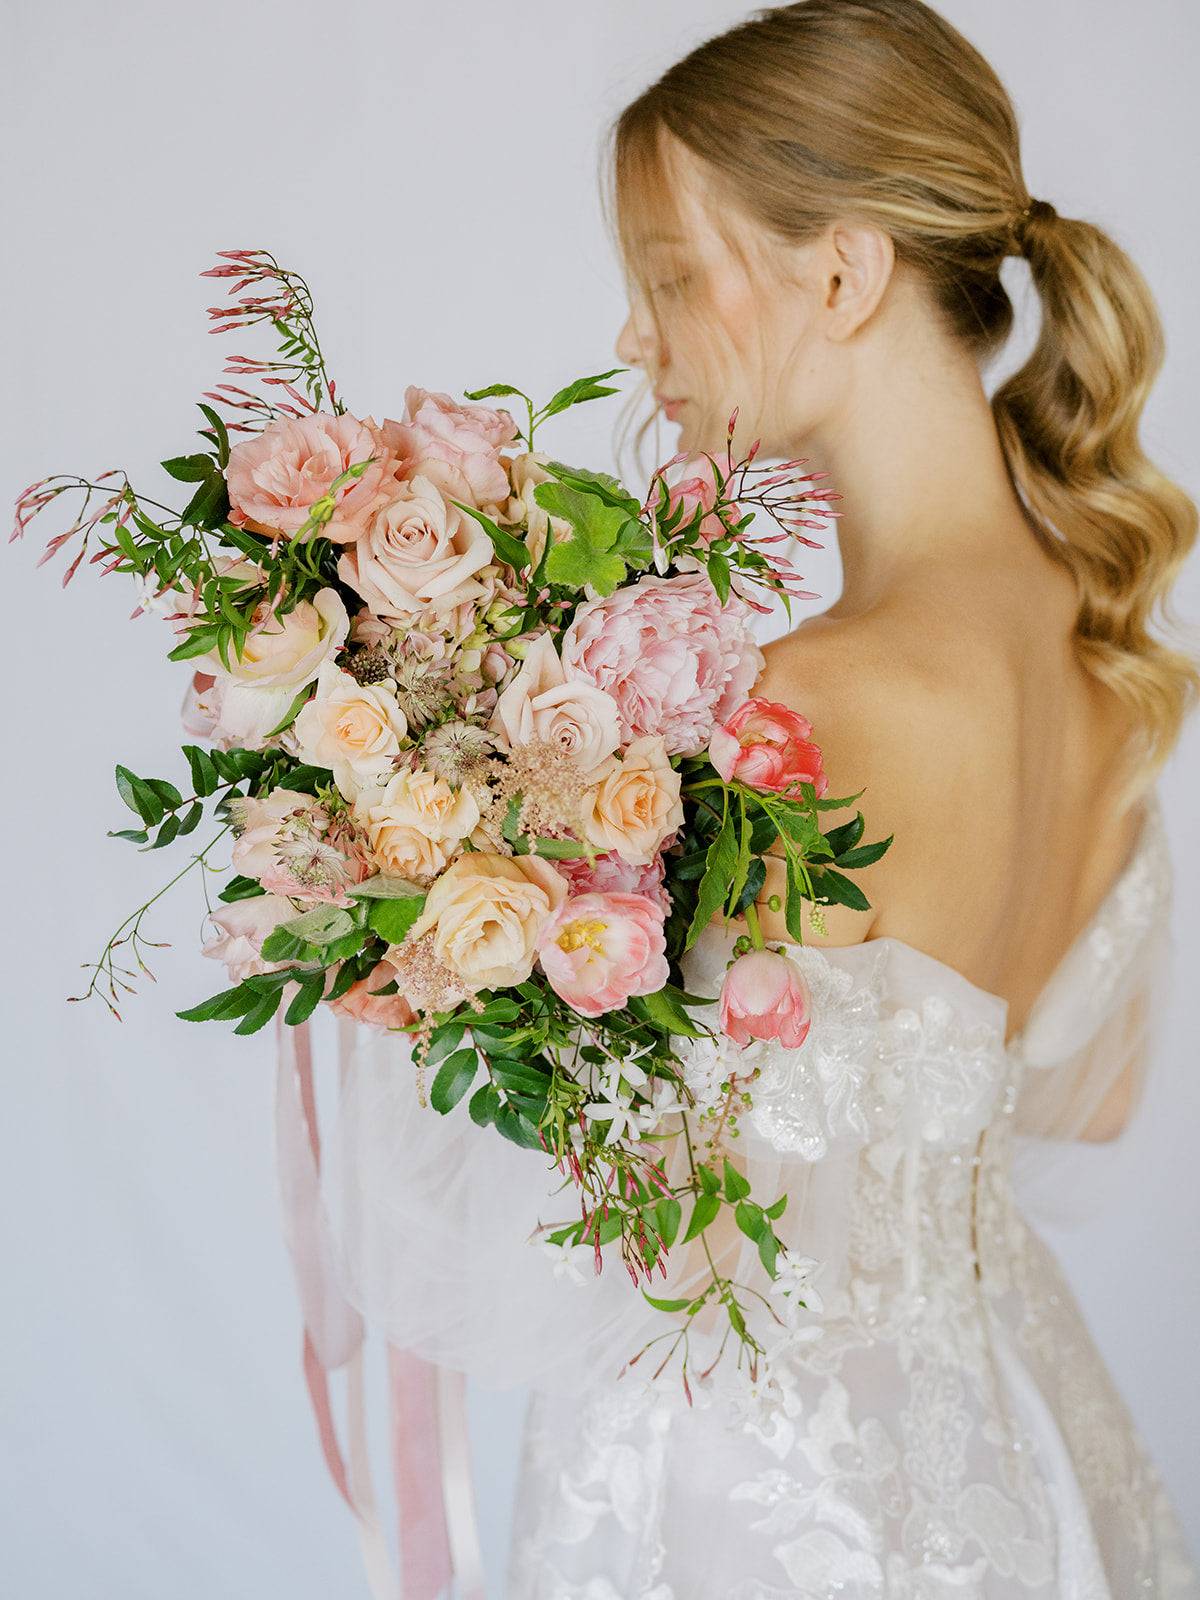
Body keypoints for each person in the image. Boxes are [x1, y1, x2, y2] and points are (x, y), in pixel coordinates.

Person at [497, 1, 1200, 1593]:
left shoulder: (798, 706)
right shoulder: (1107, 679)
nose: (635, 337)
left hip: (763, 1484)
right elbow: (1087, 1101)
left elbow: (657, 1187)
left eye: (671, 277)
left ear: (845, 271)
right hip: (1016, 1450)